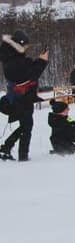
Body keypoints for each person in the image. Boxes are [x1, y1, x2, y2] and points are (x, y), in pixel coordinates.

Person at [0, 30, 48, 162]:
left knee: (25, 126)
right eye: (26, 45)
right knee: (26, 127)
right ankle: (21, 156)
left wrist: (40, 60)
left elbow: (28, 71)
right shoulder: (14, 60)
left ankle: (8, 148)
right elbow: (30, 75)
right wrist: (42, 61)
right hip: (20, 99)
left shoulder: (12, 57)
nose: (27, 48)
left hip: (21, 98)